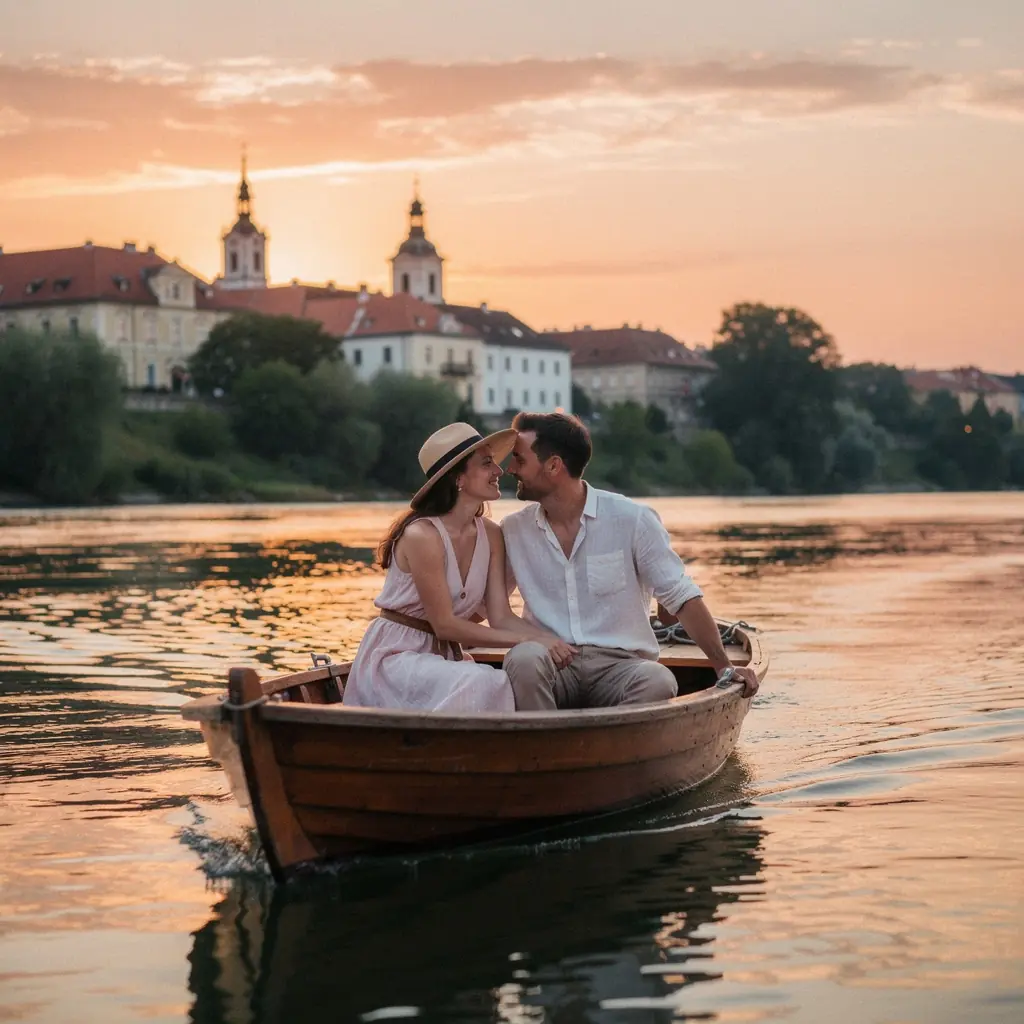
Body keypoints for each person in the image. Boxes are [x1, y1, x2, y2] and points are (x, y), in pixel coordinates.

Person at [500, 412, 760, 710]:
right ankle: (543, 751)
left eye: (519, 460)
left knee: (659, 681)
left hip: (621, 666)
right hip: (551, 662)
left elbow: (681, 597)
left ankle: (615, 748)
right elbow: (489, 607)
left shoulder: (632, 519)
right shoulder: (513, 530)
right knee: (522, 659)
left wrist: (723, 667)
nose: (510, 469)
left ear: (554, 465)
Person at [342, 422, 577, 713]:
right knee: (485, 681)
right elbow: (445, 626)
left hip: (442, 657)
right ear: (458, 479)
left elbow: (500, 616)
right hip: (395, 656)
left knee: (494, 679)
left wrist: (553, 639)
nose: (499, 472)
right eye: (487, 464)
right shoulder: (422, 536)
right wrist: (531, 638)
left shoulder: (491, 535)